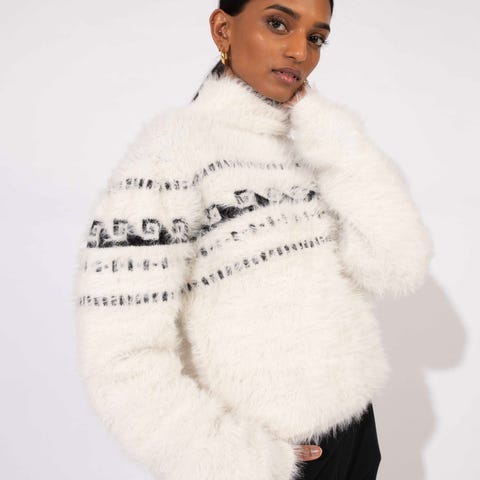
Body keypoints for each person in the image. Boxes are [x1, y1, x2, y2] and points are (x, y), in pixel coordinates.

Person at [73, 1, 434, 479]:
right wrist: (241, 461)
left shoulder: (309, 145)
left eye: (316, 38)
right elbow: (120, 357)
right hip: (272, 459)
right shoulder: (167, 158)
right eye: (278, 24)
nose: (300, 52)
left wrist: (327, 127)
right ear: (223, 29)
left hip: (356, 433)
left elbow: (396, 264)